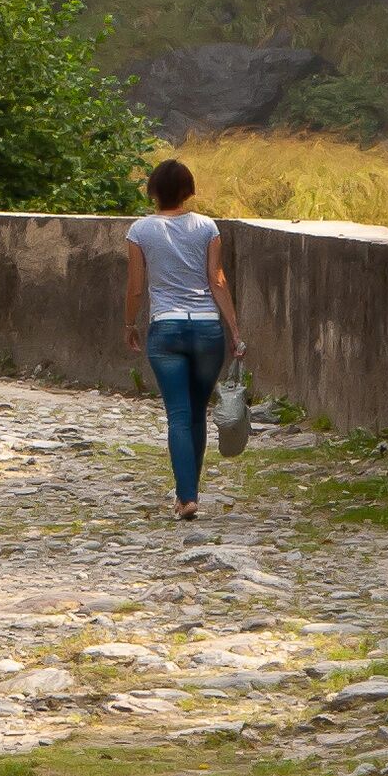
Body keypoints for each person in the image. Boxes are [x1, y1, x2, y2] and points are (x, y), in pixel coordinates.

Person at [123, 156, 245, 519]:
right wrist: (234, 329)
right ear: (187, 191)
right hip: (208, 328)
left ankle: (186, 496)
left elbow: (135, 287)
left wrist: (129, 324)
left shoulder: (140, 231)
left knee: (178, 414)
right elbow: (217, 278)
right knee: (197, 413)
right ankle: (189, 491)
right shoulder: (207, 227)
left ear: (154, 192)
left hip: (167, 328)